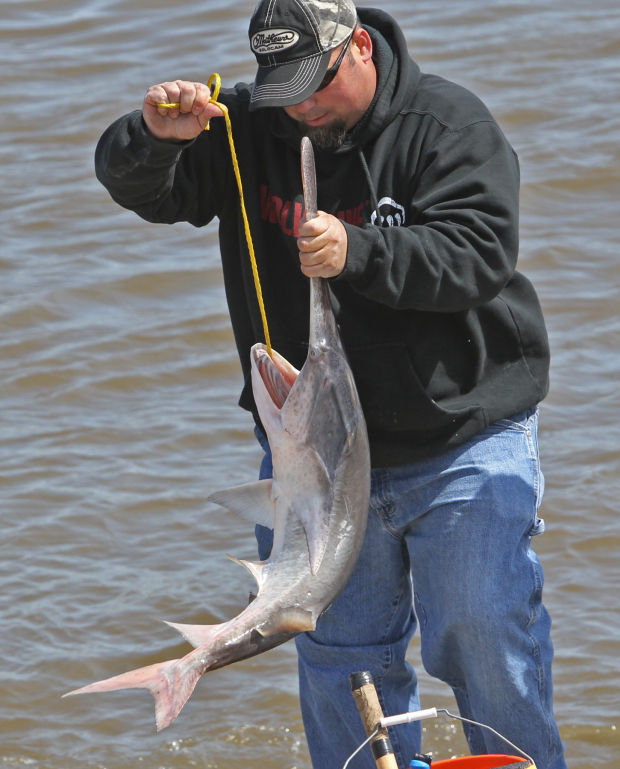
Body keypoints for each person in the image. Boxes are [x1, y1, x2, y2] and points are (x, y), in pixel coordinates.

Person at [94, 1, 567, 767]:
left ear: (362, 47)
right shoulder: (251, 127)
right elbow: (146, 191)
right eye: (283, 87)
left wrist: (360, 250)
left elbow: (481, 252)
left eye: (316, 83)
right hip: (311, 455)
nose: (302, 105)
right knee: (338, 656)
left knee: (485, 634)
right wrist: (151, 140)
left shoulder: (446, 125)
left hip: (460, 442)